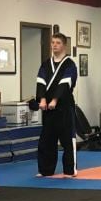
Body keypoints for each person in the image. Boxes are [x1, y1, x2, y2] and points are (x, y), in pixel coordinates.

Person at [35, 33, 78, 177]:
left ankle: (69, 170)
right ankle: (45, 170)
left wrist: (55, 100)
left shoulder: (70, 64)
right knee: (47, 139)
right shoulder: (46, 64)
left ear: (64, 45)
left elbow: (65, 84)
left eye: (58, 43)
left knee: (67, 139)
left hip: (64, 106)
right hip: (48, 108)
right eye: (52, 42)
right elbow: (41, 81)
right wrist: (42, 99)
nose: (54, 45)